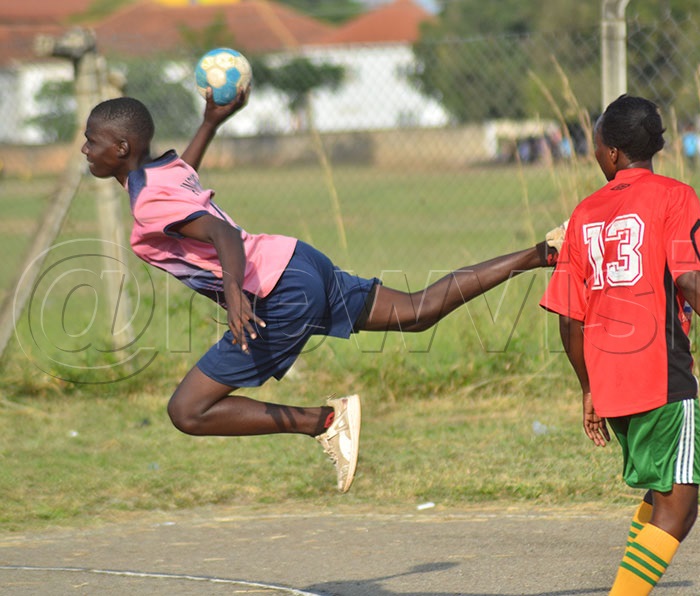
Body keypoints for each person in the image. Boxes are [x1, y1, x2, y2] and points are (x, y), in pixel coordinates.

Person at [82, 90, 562, 494]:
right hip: (298, 260)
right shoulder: (165, 172)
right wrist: (210, 122)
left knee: (187, 410)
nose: (85, 149)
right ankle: (538, 255)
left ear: (122, 147)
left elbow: (222, 236)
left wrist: (233, 294)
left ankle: (324, 421)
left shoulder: (148, 202)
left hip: (277, 293)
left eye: (92, 141)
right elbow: (189, 173)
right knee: (417, 312)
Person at [540, 94, 700, 595]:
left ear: (611, 154)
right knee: (680, 508)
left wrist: (588, 388)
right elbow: (691, 281)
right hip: (661, 376)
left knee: (661, 490)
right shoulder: (673, 196)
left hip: (610, 379)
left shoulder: (584, 213)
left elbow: (569, 318)